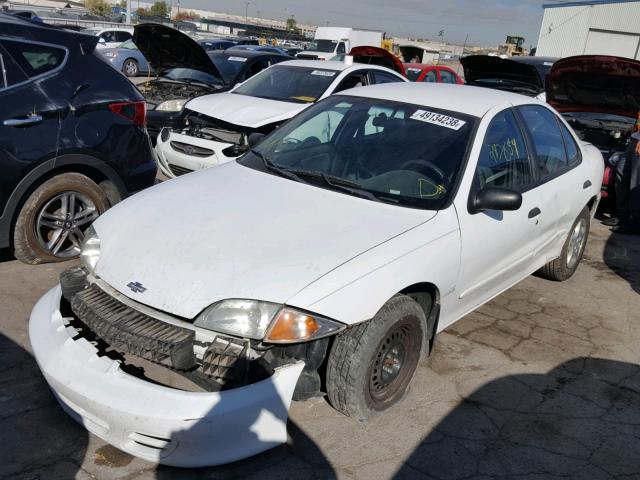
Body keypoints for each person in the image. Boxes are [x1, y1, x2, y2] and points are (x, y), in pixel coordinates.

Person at [607, 128, 640, 234]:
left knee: (635, 181)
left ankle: (635, 223)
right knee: (621, 173)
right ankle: (623, 215)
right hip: (634, 139)